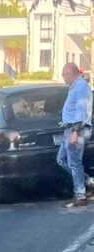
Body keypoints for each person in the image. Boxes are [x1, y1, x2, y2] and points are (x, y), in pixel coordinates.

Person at [57, 62, 94, 208]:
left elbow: (82, 110)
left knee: (74, 162)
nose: (63, 78)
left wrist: (75, 132)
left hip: (77, 129)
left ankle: (80, 195)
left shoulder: (80, 87)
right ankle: (88, 182)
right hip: (70, 129)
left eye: (64, 74)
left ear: (69, 73)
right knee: (61, 159)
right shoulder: (75, 87)